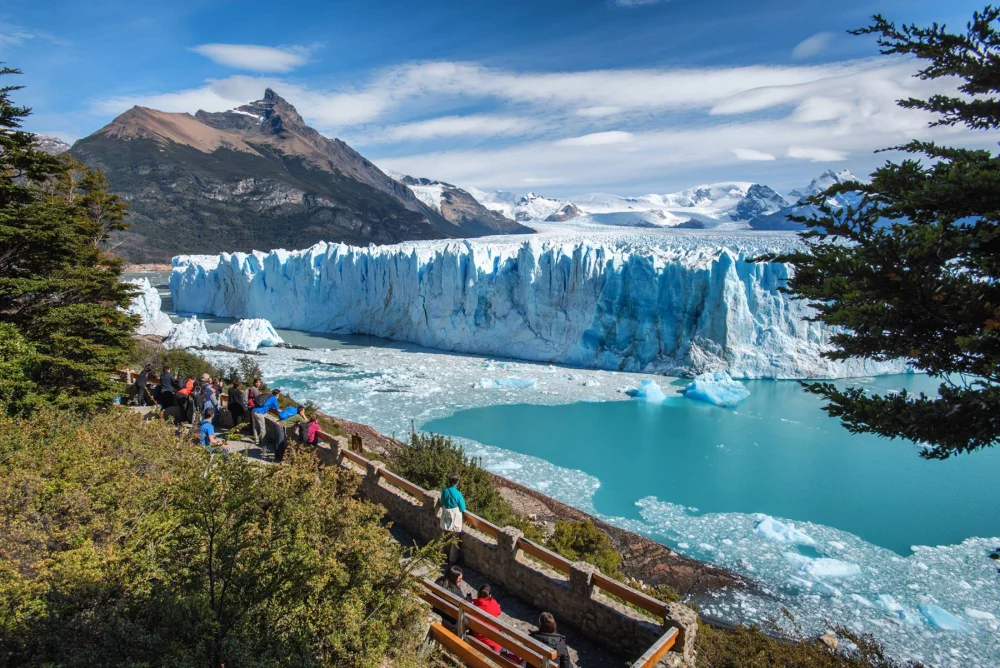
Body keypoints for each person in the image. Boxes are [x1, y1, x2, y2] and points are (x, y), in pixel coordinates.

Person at [440, 473, 466, 564]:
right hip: (455, 517)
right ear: (457, 482)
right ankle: (452, 560)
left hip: (446, 515)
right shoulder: (458, 494)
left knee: (443, 536)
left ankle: (440, 556)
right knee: (455, 539)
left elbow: (441, 502)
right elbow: (463, 508)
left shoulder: (444, 491)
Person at [471, 584, 503, 653]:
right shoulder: (493, 602)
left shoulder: (472, 606)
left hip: (479, 640)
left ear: (478, 594)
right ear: (490, 595)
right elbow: (499, 612)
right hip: (495, 643)